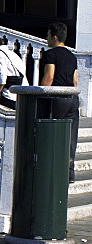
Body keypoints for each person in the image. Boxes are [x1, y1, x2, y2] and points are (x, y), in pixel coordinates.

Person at [40, 21, 80, 183]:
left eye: (48, 35)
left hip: (57, 98)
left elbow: (49, 77)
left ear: (54, 37)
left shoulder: (51, 54)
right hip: (72, 97)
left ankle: (51, 169)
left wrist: (41, 93)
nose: (46, 38)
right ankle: (69, 172)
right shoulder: (72, 56)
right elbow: (75, 81)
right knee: (70, 136)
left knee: (52, 133)